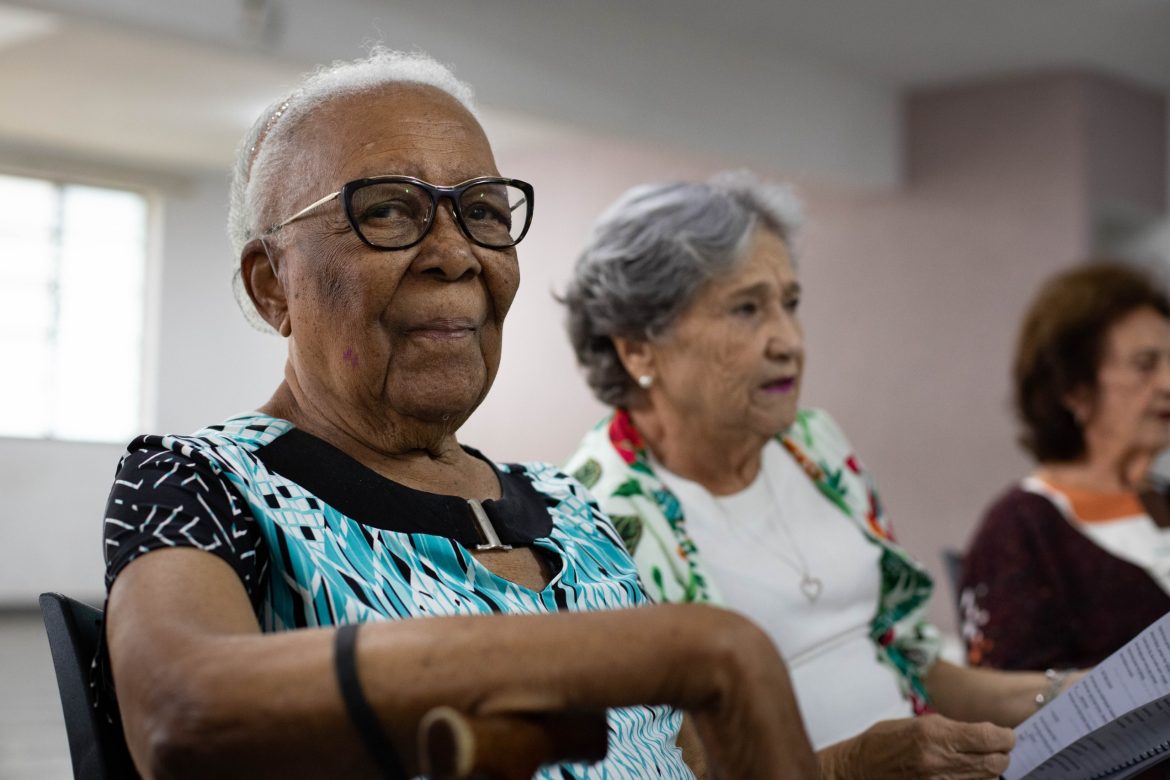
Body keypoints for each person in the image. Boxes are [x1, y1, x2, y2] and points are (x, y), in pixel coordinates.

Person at [100, 51, 821, 780]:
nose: (454, 253)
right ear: (273, 286)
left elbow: (683, 764)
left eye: (481, 213)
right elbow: (181, 710)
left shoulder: (566, 505)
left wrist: (850, 765)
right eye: (386, 209)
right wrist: (653, 650)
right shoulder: (206, 480)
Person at [562, 173, 1076, 779]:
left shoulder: (815, 447)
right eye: (747, 308)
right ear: (637, 348)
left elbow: (913, 662)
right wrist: (851, 767)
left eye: (791, 304)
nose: (790, 341)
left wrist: (1068, 694)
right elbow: (657, 768)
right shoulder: (594, 516)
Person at [961, 262, 1170, 671]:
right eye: (1145, 365)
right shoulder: (1021, 526)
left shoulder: (1161, 496)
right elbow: (1007, 698)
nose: (1168, 383)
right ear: (1074, 388)